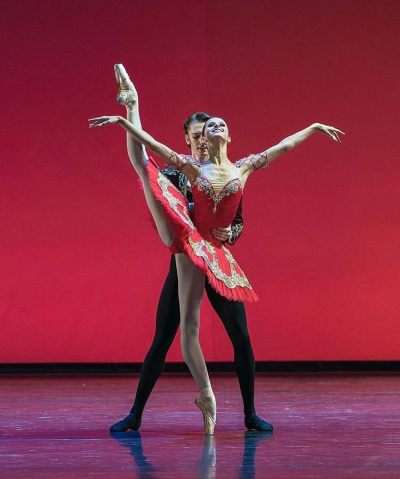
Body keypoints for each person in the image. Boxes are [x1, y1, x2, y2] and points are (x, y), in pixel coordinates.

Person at [89, 65, 344, 434]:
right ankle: (136, 414)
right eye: (198, 133)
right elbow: (146, 159)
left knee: (240, 336)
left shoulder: (238, 169)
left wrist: (229, 233)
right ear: (190, 138)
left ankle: (249, 413)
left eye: (209, 130)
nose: (203, 138)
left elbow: (238, 215)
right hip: (184, 250)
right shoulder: (183, 169)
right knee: (165, 336)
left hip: (217, 254)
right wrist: (129, 117)